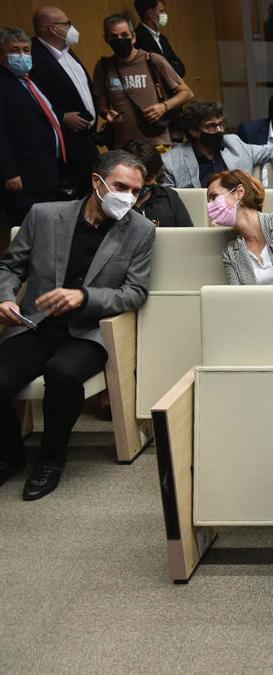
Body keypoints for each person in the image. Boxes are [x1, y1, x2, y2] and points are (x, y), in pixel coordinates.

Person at [0, 150, 154, 501]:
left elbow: (134, 293)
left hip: (88, 331)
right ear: (96, 182)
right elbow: (10, 267)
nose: (127, 197)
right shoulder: (43, 215)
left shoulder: (141, 230)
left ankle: (50, 459)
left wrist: (84, 297)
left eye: (135, 190)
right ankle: (9, 454)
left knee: (63, 375)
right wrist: (4, 297)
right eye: (120, 186)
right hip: (34, 324)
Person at [92, 14, 192, 149]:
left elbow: (187, 93)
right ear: (106, 39)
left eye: (124, 35)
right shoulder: (104, 66)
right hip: (123, 145)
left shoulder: (152, 60)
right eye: (114, 37)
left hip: (158, 142)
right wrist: (106, 113)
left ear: (133, 37)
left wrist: (164, 107)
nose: (120, 40)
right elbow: (101, 106)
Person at [0, 27, 68, 227]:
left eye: (26, 50)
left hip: (46, 172)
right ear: (1, 54)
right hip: (23, 178)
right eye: (15, 50)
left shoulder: (30, 80)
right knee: (29, 233)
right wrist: (9, 172)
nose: (22, 55)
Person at [30, 7, 100, 198]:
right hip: (64, 146)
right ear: (53, 29)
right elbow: (31, 99)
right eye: (67, 24)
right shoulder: (33, 56)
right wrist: (61, 116)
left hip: (86, 140)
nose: (72, 28)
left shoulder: (68, 52)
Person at [161, 101, 273, 189]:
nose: (219, 130)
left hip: (239, 213)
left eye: (221, 124)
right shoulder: (170, 162)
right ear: (194, 131)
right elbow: (170, 203)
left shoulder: (234, 143)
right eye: (211, 126)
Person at [124, 138, 191, 227]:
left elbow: (188, 234)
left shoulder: (169, 197)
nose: (141, 184)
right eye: (136, 178)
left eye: (149, 178)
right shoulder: (115, 201)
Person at [133, 0, 184, 78]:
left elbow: (181, 69)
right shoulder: (138, 38)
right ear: (150, 13)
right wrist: (171, 65)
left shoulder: (162, 38)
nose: (165, 15)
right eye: (162, 11)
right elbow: (158, 71)